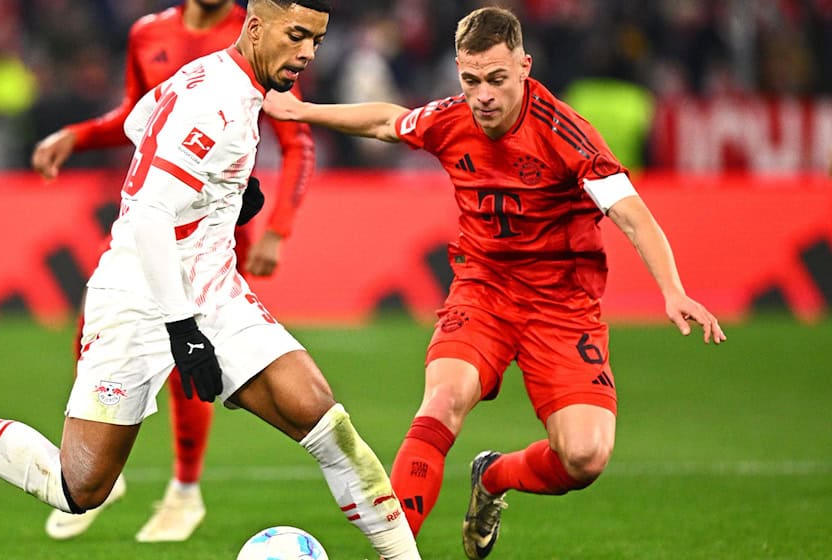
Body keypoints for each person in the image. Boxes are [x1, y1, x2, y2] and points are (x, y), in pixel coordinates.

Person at [0, 2, 421, 558]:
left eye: (317, 41)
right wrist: (182, 328)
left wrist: (220, 197)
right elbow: (150, 213)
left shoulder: (213, 77)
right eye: (297, 36)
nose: (306, 53)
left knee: (327, 423)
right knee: (78, 486)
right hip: (136, 298)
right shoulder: (216, 101)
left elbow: (139, 122)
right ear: (255, 27)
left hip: (214, 291)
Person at [262, 6, 726, 559]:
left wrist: (671, 289)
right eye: (470, 79)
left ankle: (493, 477)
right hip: (483, 291)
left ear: (524, 67)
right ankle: (395, 553)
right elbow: (389, 121)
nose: (482, 95)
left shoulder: (564, 134)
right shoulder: (453, 119)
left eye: (497, 79)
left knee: (584, 458)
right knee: (442, 400)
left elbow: (632, 214)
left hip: (562, 306)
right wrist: (303, 110)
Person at [30, 0, 316, 542]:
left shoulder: (257, 33)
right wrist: (79, 135)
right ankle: (101, 474)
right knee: (93, 331)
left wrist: (278, 227)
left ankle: (184, 492)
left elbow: (295, 135)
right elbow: (135, 115)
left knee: (190, 358)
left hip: (215, 234)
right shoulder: (148, 34)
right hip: (156, 214)